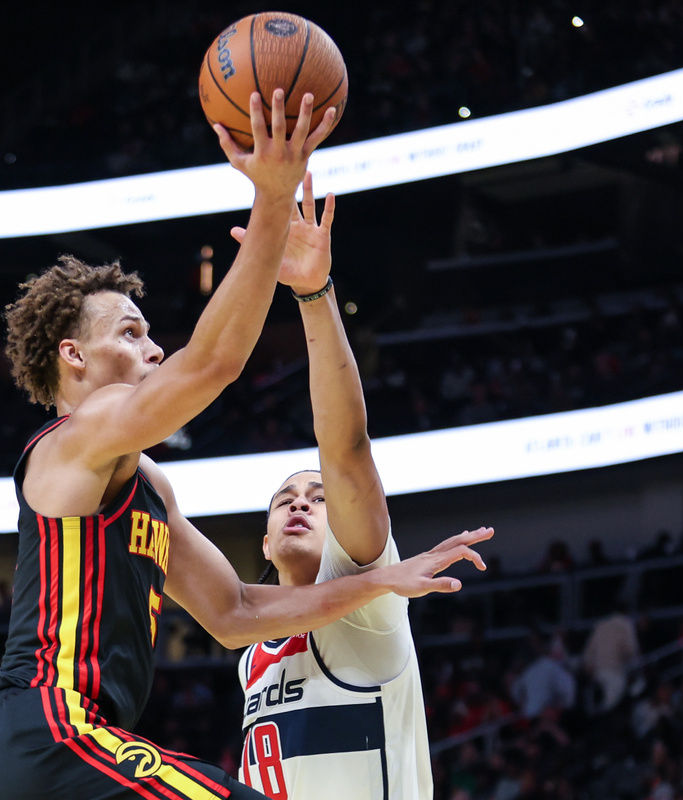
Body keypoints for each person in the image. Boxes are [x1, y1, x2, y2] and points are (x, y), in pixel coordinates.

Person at [0, 90, 490, 800]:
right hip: (50, 736)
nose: (153, 344)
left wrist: (379, 580)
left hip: (21, 764)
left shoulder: (143, 483)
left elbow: (234, 614)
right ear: (73, 356)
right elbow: (211, 364)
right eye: (131, 332)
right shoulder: (77, 437)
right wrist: (272, 195)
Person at [235, 183, 495, 800]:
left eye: (317, 498)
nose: (300, 501)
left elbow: (346, 448)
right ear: (265, 545)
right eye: (285, 498)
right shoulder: (249, 651)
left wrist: (312, 294)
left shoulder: (367, 599)